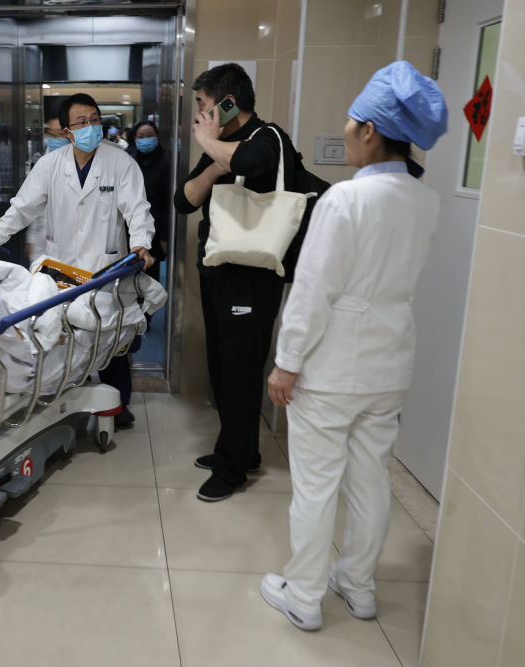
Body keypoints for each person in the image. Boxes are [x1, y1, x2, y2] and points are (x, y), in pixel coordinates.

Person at [259, 61, 447, 632]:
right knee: (370, 479)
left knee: (316, 487)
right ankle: (358, 586)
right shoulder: (425, 200)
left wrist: (287, 363)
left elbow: (314, 290)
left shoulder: (345, 199)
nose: (344, 130)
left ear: (369, 130)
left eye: (350, 121)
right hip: (390, 363)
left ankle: (304, 595)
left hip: (331, 368)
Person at [0, 93, 155, 429]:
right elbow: (23, 207)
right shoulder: (50, 165)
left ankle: (118, 405)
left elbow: (137, 209)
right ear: (66, 132)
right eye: (81, 122)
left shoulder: (120, 162)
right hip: (62, 269)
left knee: (110, 338)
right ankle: (67, 401)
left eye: (95, 119)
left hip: (105, 268)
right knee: (66, 336)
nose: (91, 127)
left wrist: (140, 244)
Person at [173, 63, 297, 502]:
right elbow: (184, 200)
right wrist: (212, 161)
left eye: (204, 105)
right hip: (218, 270)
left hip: (252, 278)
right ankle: (242, 452)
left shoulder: (269, 137)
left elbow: (248, 162)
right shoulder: (220, 146)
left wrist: (208, 141)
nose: (199, 116)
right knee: (224, 369)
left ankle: (232, 468)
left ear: (228, 103)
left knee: (241, 370)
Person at [127, 120, 170, 282]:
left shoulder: (166, 162)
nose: (146, 140)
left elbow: (167, 202)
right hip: (129, 227)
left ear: (157, 137)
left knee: (150, 274)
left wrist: (165, 236)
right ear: (135, 138)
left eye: (150, 135)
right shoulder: (128, 159)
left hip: (156, 229)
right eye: (141, 136)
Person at [25, 108, 70, 262]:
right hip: (42, 241)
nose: (55, 138)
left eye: (60, 134)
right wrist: (31, 238)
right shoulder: (41, 164)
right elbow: (34, 206)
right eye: (51, 133)